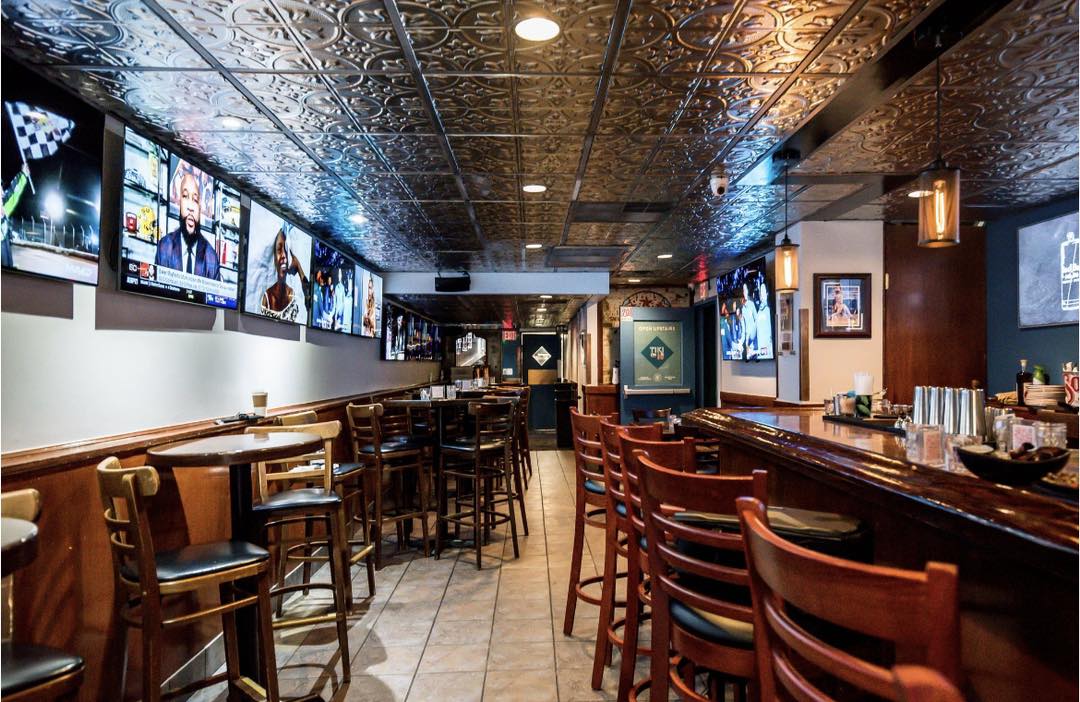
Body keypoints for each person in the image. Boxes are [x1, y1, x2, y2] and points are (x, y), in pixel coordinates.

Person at [155, 169, 220, 280]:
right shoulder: (164, 246)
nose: (190, 207)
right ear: (179, 203)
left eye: (195, 200)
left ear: (200, 209)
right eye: (185, 196)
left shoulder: (211, 256)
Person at [259, 226, 309, 322]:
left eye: (286, 251)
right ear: (273, 257)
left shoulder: (292, 295)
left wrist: (298, 266)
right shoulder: (267, 297)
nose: (283, 256)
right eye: (279, 250)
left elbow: (307, 291)